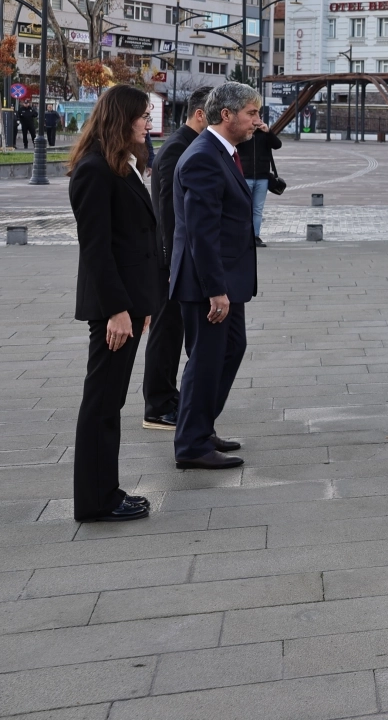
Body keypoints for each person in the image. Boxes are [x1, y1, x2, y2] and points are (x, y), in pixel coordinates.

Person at [67, 85, 166, 523]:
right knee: (102, 404)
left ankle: (105, 492)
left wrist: (141, 304)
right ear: (121, 119)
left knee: (110, 402)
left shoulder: (120, 164)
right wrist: (117, 310)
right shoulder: (94, 170)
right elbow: (97, 249)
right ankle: (97, 501)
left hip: (129, 302)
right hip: (114, 308)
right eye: (143, 116)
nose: (148, 123)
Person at [170, 82, 259, 470]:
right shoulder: (203, 157)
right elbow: (200, 232)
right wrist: (215, 290)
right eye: (251, 113)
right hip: (207, 285)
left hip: (226, 281)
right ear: (227, 115)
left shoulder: (223, 152)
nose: (257, 121)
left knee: (230, 349)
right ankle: (191, 445)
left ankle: (201, 427)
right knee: (206, 360)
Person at [141, 87, 210, 431]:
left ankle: (168, 397)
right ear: (200, 115)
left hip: (177, 256)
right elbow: (168, 213)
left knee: (173, 329)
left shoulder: (189, 144)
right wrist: (171, 264)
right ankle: (158, 404)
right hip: (169, 258)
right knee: (166, 331)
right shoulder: (177, 149)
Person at [238, 117, 282, 247]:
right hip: (245, 176)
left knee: (257, 209)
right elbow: (233, 143)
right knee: (244, 208)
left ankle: (255, 236)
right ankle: (243, 237)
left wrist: (268, 131)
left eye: (257, 118)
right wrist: (246, 130)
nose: (255, 121)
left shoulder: (265, 134)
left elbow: (277, 145)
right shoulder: (243, 133)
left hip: (262, 177)